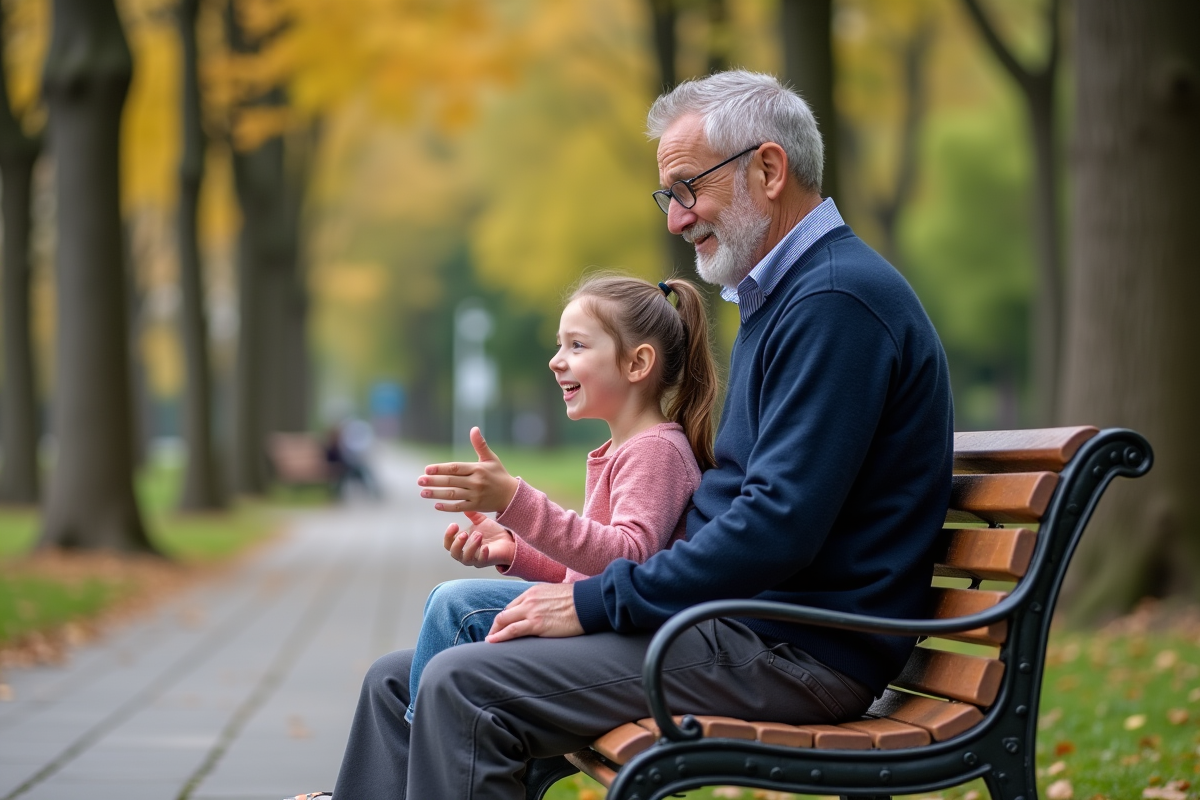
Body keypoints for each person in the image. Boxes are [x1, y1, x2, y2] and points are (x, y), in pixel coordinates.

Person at [291, 69, 953, 800]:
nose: (676, 220)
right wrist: (576, 580)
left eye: (688, 188)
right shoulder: (790, 298)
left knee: (462, 686)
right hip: (735, 624)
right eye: (669, 197)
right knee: (398, 683)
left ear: (769, 169)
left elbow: (778, 526)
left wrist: (597, 603)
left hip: (790, 649)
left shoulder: (834, 301)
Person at [404, 274, 718, 726]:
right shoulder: (627, 449)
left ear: (637, 363)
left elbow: (626, 560)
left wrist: (516, 500)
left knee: (456, 606)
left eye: (577, 345)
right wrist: (516, 550)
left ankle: (423, 752)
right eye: (559, 345)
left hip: (627, 639)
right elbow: (589, 570)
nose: (556, 361)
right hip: (602, 625)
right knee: (392, 670)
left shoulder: (657, 450)